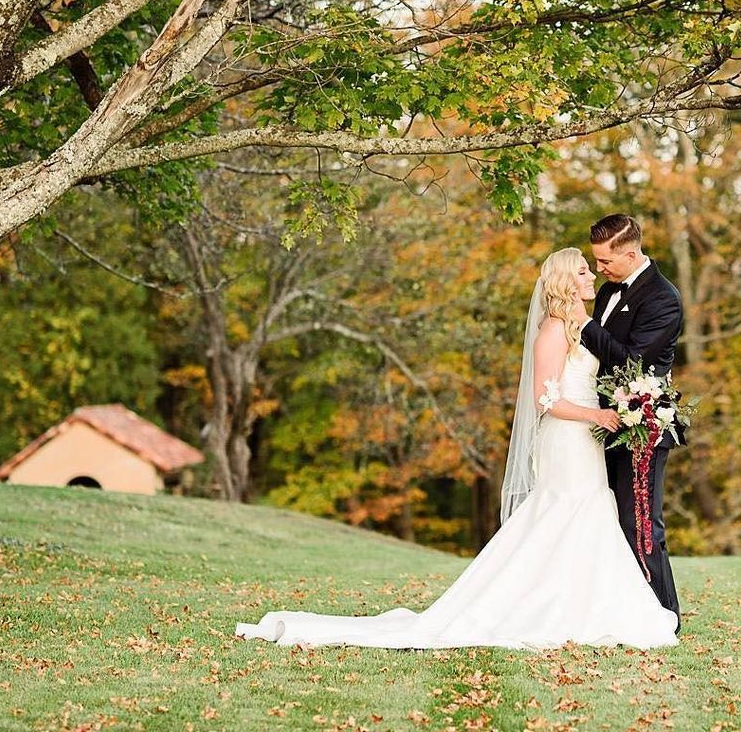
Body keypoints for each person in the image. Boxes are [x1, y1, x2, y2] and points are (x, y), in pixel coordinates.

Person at [234, 247, 678, 650]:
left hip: (586, 442)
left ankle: (590, 606)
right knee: (566, 514)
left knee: (589, 515)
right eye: (583, 270)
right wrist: (596, 416)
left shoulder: (586, 325)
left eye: (593, 268)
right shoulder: (553, 330)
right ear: (565, 280)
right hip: (569, 437)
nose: (592, 276)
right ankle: (542, 609)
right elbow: (544, 400)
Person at [578, 214, 684, 629]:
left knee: (639, 520)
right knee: (602, 516)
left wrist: (584, 324)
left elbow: (630, 362)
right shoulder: (606, 291)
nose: (600, 269)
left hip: (642, 425)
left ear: (631, 253)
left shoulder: (662, 298)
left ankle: (663, 615)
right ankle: (616, 609)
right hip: (601, 420)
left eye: (605, 261)